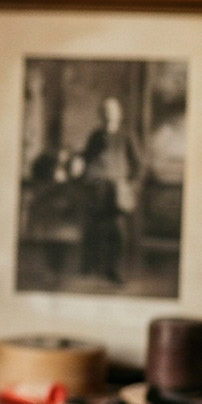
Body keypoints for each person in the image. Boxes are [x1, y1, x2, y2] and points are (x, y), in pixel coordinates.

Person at [76, 95, 145, 284]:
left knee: (118, 233)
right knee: (94, 229)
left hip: (117, 192)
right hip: (97, 190)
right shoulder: (95, 136)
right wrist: (77, 163)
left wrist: (130, 186)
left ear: (119, 114)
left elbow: (139, 166)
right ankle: (94, 269)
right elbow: (87, 158)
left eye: (112, 111)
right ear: (101, 114)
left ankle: (115, 271)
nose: (109, 115)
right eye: (105, 111)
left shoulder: (127, 135)